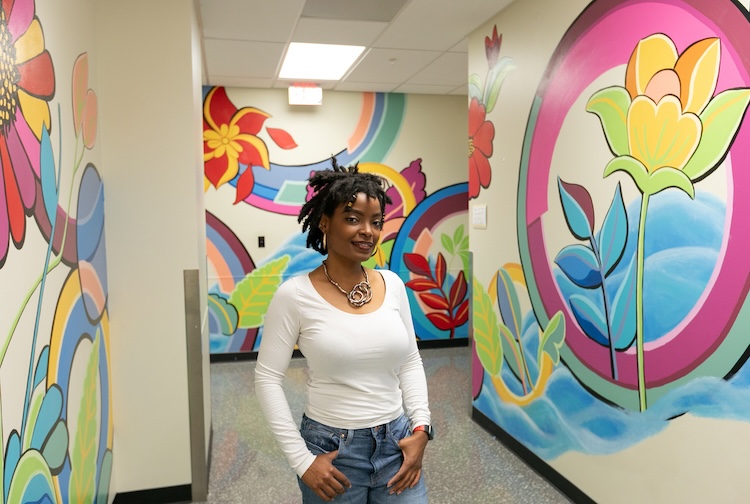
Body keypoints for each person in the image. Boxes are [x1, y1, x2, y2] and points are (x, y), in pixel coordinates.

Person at [255, 158, 433, 503]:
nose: (367, 230)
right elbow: (266, 379)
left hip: (397, 444)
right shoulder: (294, 295)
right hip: (332, 452)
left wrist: (421, 428)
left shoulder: (393, 285)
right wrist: (302, 461)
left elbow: (410, 361)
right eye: (353, 219)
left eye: (376, 222)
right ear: (324, 222)